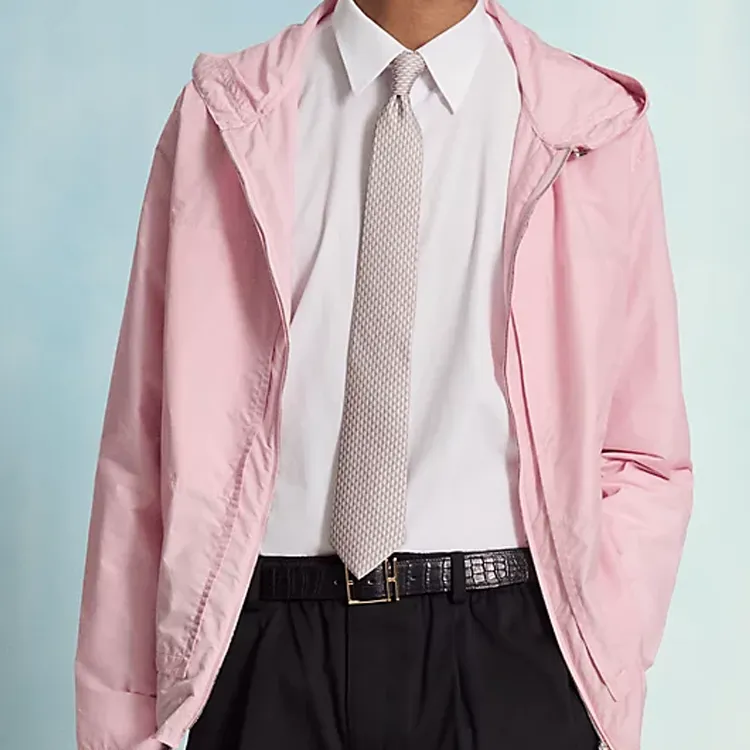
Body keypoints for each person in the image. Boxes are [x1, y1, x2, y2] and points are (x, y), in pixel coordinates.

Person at [74, 0, 694, 748]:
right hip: (261, 642)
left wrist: (603, 647)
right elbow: (141, 453)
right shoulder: (224, 115)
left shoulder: (591, 127)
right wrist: (122, 721)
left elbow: (642, 449)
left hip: (515, 649)